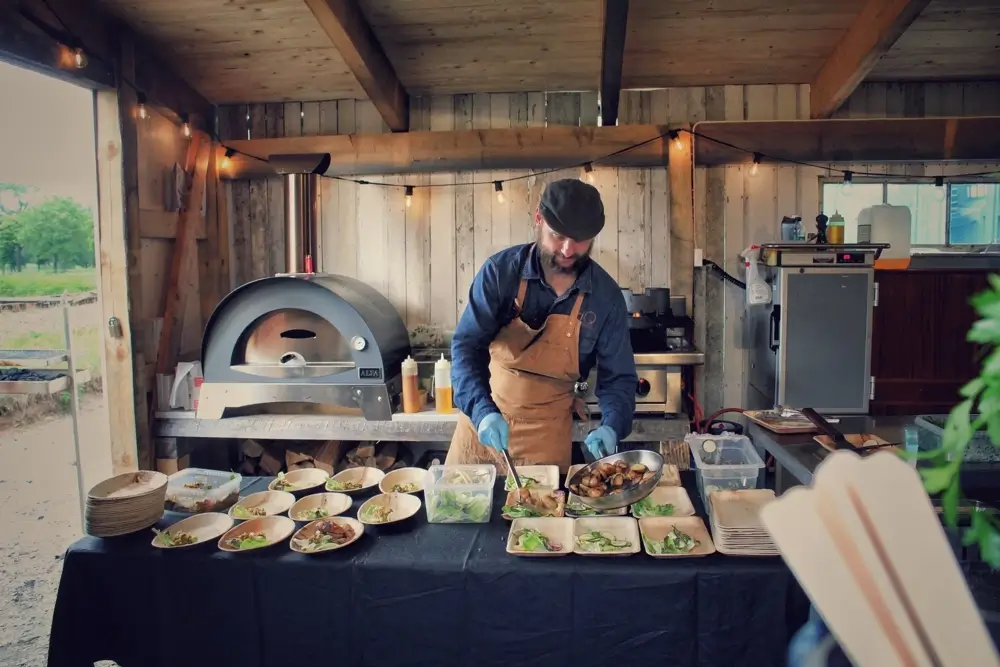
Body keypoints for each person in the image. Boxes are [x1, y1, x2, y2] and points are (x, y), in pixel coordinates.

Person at [447, 178, 638, 471]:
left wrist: (612, 426)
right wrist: (482, 411)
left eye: (581, 240)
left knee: (541, 514)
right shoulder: (500, 273)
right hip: (484, 425)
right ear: (538, 217)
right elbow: (466, 347)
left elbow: (619, 379)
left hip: (546, 435)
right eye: (557, 235)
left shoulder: (605, 298)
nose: (567, 249)